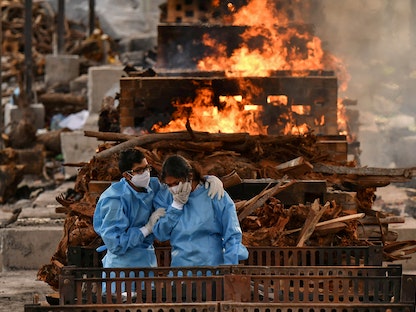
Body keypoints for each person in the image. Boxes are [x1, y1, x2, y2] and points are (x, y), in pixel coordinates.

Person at [93, 149, 224, 294]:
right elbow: (115, 244)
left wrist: (207, 179)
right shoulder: (114, 200)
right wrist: (146, 229)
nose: (145, 173)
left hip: (147, 261)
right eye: (139, 170)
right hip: (121, 268)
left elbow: (178, 180)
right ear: (126, 175)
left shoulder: (152, 186)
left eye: (146, 168)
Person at [153, 154, 248, 267]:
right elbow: (160, 233)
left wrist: (230, 265)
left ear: (190, 176)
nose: (173, 188)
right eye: (169, 185)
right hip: (181, 271)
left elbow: (232, 233)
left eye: (177, 183)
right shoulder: (166, 197)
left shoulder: (213, 193)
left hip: (212, 268)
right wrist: (175, 207)